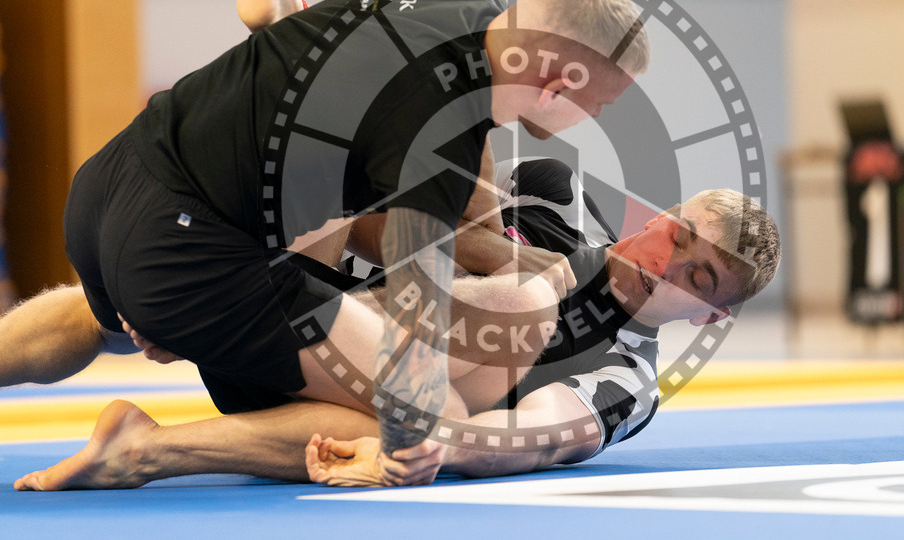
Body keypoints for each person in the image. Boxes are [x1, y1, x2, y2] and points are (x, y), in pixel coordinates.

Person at [1, 0, 649, 481]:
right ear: (556, 84)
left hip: (113, 176)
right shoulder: (436, 144)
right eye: (599, 103)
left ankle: (281, 7)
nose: (595, 117)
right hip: (181, 248)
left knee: (113, 310)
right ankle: (140, 448)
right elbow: (412, 330)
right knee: (431, 410)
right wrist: (406, 453)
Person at [11, 154, 780, 490]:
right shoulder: (557, 197)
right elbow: (405, 203)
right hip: (309, 297)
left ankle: (150, 448)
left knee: (418, 414)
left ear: (709, 311)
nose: (664, 260)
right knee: (101, 308)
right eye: (678, 233)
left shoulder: (627, 377)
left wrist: (417, 451)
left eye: (696, 275)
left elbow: (539, 435)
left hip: (324, 404)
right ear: (664, 213)